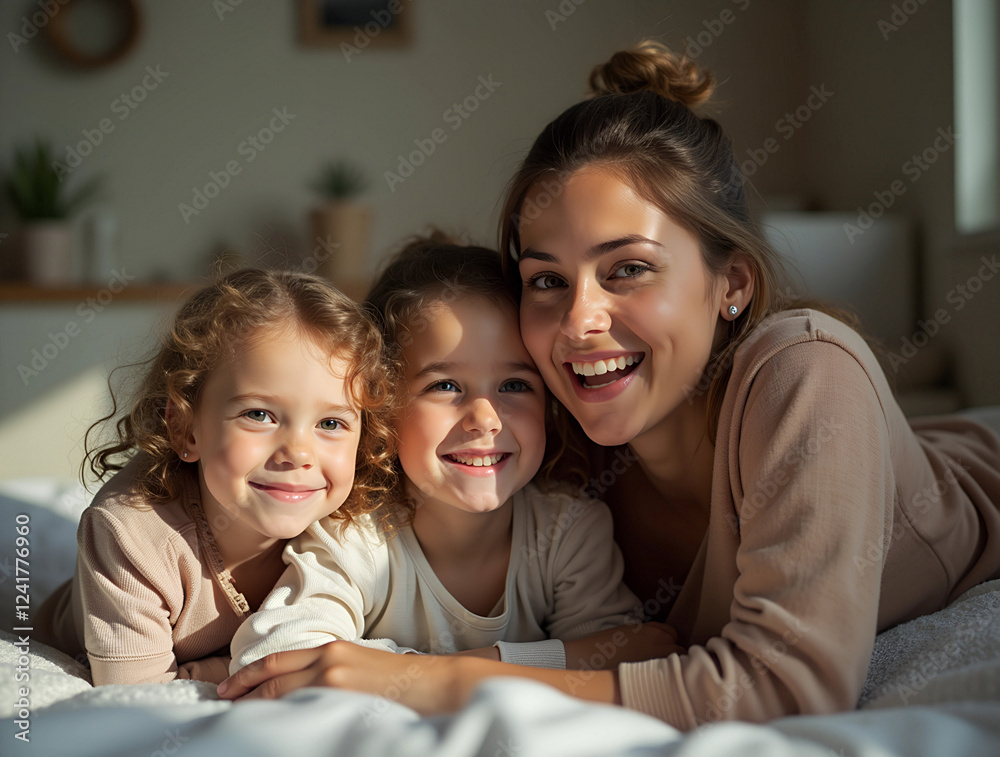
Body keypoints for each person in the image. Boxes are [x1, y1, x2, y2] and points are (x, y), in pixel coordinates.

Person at [218, 43, 1000, 729]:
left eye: (628, 268)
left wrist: (437, 676)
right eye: (547, 278)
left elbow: (784, 687)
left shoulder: (805, 372)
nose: (578, 320)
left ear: (731, 281)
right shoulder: (548, 426)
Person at [228, 235, 677, 675]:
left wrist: (424, 672)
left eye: (515, 386)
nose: (485, 418)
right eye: (445, 386)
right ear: (382, 406)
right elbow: (275, 660)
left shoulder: (568, 533)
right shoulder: (353, 538)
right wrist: (526, 666)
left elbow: (626, 660)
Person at [36, 268, 396, 685]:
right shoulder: (130, 536)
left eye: (331, 424)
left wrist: (223, 667)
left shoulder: (353, 520)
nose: (299, 453)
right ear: (186, 428)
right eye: (258, 415)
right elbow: (135, 701)